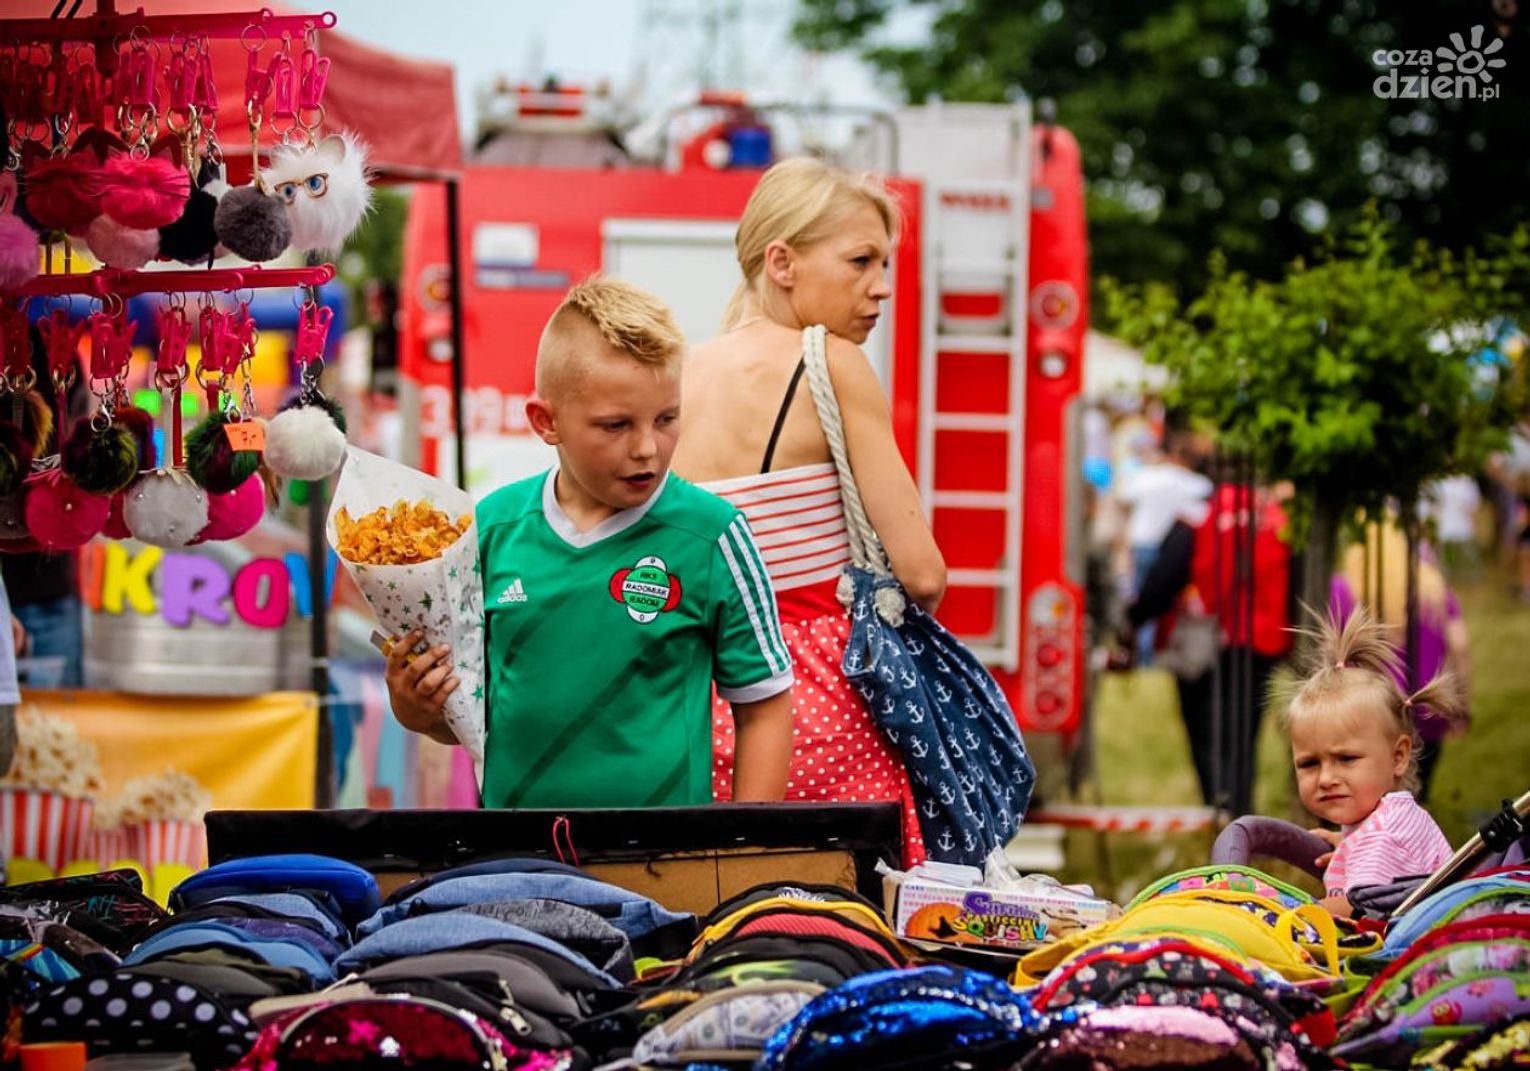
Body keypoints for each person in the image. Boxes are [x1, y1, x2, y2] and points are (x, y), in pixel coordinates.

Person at [385, 278, 796, 808]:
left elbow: (765, 705)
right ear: (545, 422)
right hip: (515, 850)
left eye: (666, 419)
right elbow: (465, 716)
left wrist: (749, 846)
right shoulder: (490, 529)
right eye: (615, 425)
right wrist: (415, 708)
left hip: (665, 855)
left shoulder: (713, 535)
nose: (647, 447)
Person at [670, 157, 946, 864]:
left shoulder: (681, 371)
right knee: (843, 902)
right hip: (814, 702)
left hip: (698, 699)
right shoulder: (833, 361)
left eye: (884, 264)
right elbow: (922, 573)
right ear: (783, 262)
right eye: (860, 261)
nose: (881, 286)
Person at [1121, 482, 1293, 815]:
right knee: (1245, 730)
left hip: (1205, 640)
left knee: (1204, 731)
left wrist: (1134, 619)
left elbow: (1165, 577)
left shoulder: (1198, 517)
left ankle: (1216, 805)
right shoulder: (1276, 518)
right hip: (1262, 642)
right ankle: (1240, 807)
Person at [1283, 607, 1457, 917]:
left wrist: (1279, 912)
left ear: (1398, 756)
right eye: (1309, 764)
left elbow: (1361, 911)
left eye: (1346, 758)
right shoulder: (1390, 819)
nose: (1326, 778)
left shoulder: (1381, 840)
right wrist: (1347, 845)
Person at [1330, 518, 1470, 802]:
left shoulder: (1346, 589)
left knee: (1372, 800)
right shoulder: (1431, 584)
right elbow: (1460, 643)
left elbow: (1333, 653)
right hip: (1428, 704)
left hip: (1373, 712)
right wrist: (1460, 703)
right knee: (1417, 793)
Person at [1114, 426, 1213, 665]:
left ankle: (1142, 654)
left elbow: (1124, 497)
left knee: (1144, 598)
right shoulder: (1196, 483)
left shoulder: (1149, 476)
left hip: (1143, 542)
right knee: (1162, 604)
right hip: (1170, 547)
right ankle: (1151, 654)